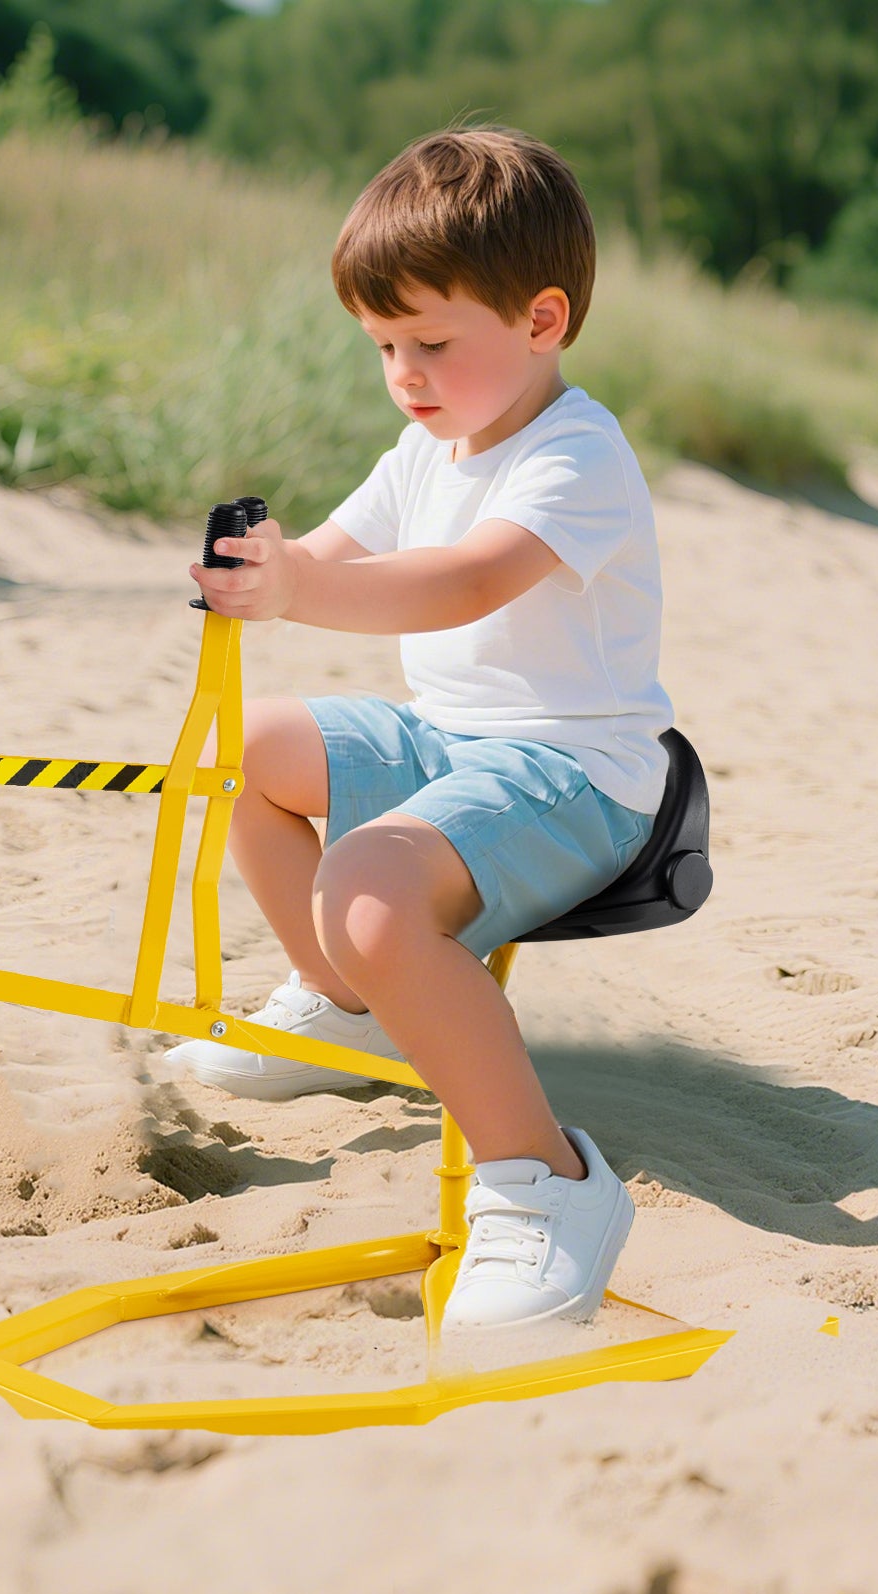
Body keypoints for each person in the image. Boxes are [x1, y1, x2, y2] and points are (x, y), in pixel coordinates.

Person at [166, 126, 671, 1332]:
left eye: (432, 342)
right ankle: (344, 1011)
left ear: (542, 321)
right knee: (256, 747)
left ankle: (547, 1182)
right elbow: (335, 558)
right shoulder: (426, 444)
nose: (405, 372)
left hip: (580, 775)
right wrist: (260, 573)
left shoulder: (577, 456)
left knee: (371, 884)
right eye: (384, 344)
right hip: (454, 743)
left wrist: (300, 590)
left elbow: (457, 583)